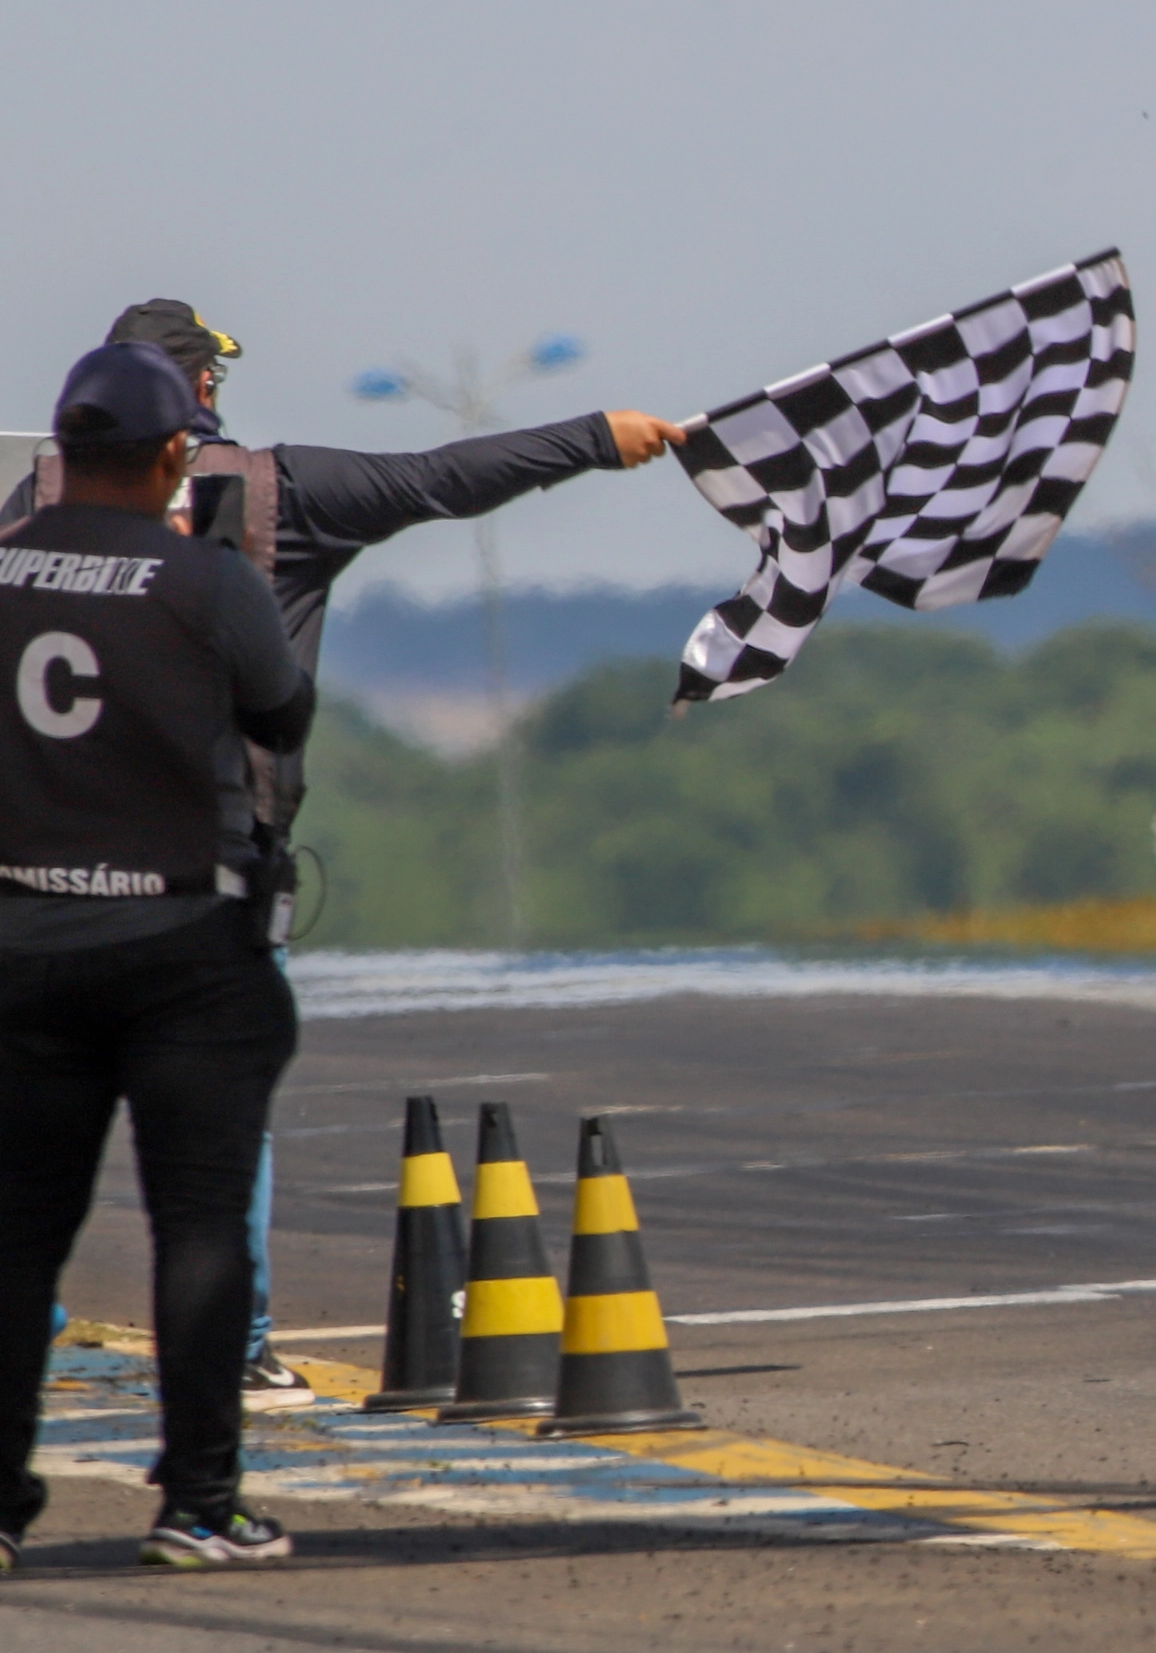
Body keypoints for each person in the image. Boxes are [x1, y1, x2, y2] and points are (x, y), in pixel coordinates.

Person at [3, 300, 689, 1409]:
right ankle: (233, 1362)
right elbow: (441, 478)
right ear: (196, 400)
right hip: (205, 882)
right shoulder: (282, 494)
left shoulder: (30, 511)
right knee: (215, 1152)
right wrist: (595, 436)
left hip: (34, 881)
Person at [0, 344, 318, 1569]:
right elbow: (281, 714)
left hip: (22, 942)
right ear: (178, 452)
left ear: (60, 448)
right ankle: (199, 1502)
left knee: (19, 1238)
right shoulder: (206, 581)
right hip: (184, 943)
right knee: (198, 1226)